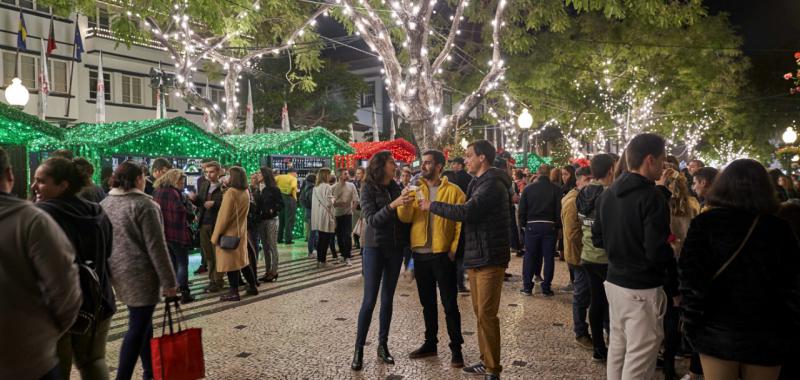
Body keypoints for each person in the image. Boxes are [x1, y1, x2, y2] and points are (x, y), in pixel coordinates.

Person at [680, 159, 800, 380]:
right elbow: (793, 285)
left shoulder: (705, 224)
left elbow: (691, 281)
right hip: (767, 332)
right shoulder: (779, 228)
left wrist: (692, 327)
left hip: (716, 330)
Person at [420, 140, 511, 380]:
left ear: (483, 158)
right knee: (480, 312)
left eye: (470, 155)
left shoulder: (492, 183)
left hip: (490, 256)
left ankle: (493, 368)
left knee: (487, 314)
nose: (466, 159)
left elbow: (467, 212)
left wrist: (432, 205)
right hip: (477, 255)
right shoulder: (478, 182)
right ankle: (485, 360)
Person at [593, 134, 672, 380]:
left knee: (619, 347)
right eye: (662, 160)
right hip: (642, 286)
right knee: (640, 356)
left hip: (615, 281)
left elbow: (598, 238)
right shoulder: (651, 197)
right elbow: (656, 250)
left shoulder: (607, 194)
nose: (663, 166)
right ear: (650, 160)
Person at [0, 149, 82, 380]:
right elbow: (65, 289)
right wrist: (45, 333)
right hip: (28, 357)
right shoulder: (32, 221)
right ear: (9, 174)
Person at [32, 157, 117, 379]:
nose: (34, 186)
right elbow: (108, 253)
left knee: (58, 369)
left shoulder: (40, 216)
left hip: (57, 307)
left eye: (41, 181)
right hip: (98, 300)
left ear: (63, 185)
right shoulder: (97, 212)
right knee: (94, 361)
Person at [100, 161, 178, 380]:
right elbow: (157, 247)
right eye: (144, 177)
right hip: (142, 274)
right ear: (138, 179)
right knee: (137, 327)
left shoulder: (106, 203)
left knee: (143, 322)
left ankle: (150, 372)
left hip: (118, 272)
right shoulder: (145, 205)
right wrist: (170, 283)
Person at [397, 149, 466, 368]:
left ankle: (456, 348)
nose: (423, 166)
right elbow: (405, 218)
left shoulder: (454, 191)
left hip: (442, 255)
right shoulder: (417, 189)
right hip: (420, 253)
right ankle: (430, 343)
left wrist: (453, 249)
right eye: (422, 163)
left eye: (428, 163)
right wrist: (405, 202)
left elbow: (460, 223)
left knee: (449, 303)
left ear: (439, 166)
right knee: (427, 303)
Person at [351, 151, 412, 371]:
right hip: (374, 248)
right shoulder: (368, 187)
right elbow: (372, 219)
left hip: (394, 249)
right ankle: (358, 349)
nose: (394, 165)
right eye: (391, 162)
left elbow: (404, 220)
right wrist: (394, 205)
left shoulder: (395, 186)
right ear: (381, 165)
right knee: (369, 300)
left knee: (387, 300)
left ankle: (383, 345)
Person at [661, 166, 700, 379]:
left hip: (666, 261)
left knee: (665, 310)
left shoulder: (662, 204)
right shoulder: (693, 205)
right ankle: (673, 356)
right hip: (684, 263)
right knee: (677, 315)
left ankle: (664, 358)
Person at [578, 154, 615, 362]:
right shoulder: (610, 195)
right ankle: (613, 345)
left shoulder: (582, 193)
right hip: (607, 257)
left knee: (596, 302)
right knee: (611, 305)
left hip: (588, 254)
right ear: (611, 170)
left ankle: (598, 348)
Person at [212, 167, 258, 302]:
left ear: (234, 177)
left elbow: (223, 217)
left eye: (228, 175)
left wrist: (215, 236)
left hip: (228, 234)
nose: (226, 177)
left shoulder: (231, 193)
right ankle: (253, 286)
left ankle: (234, 292)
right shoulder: (245, 191)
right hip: (241, 233)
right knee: (242, 262)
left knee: (230, 264)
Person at [518, 164, 563, 297]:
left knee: (529, 256)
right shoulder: (556, 189)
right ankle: (546, 288)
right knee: (549, 257)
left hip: (532, 225)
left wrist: (523, 224)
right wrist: (558, 226)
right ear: (549, 174)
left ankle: (527, 287)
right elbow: (558, 210)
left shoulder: (528, 188)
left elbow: (522, 209)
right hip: (550, 225)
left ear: (537, 173)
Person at [561, 166, 593, 351]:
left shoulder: (583, 197)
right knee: (581, 294)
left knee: (589, 293)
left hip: (585, 254)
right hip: (580, 256)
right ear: (579, 180)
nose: (590, 183)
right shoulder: (573, 200)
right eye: (587, 179)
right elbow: (573, 233)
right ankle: (580, 332)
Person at [153, 169, 196, 303]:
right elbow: (179, 211)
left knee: (172, 263)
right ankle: (185, 293)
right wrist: (190, 214)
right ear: (173, 180)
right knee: (183, 263)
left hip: (164, 233)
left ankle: (171, 291)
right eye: (181, 181)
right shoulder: (173, 193)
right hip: (177, 233)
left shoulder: (158, 191)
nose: (183, 184)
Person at [190, 161, 225, 291]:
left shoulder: (224, 187)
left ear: (219, 172)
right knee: (208, 255)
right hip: (204, 223)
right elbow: (201, 203)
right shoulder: (204, 185)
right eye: (206, 172)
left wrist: (215, 204)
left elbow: (228, 204)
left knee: (218, 254)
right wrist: (194, 199)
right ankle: (212, 280)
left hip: (217, 224)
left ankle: (218, 280)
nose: (209, 175)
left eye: (211, 172)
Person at [255, 167, 283, 282]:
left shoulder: (273, 189)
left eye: (259, 173)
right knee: (265, 247)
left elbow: (281, 204)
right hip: (261, 220)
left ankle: (274, 271)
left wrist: (273, 210)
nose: (257, 175)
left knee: (272, 245)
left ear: (265, 175)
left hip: (271, 220)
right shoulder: (258, 189)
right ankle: (267, 271)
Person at [312, 168, 337, 265]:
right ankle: (323, 260)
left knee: (321, 238)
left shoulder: (316, 187)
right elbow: (328, 203)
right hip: (326, 215)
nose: (331, 176)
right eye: (329, 174)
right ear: (326, 175)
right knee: (325, 239)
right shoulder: (327, 186)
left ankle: (320, 259)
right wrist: (333, 199)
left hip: (318, 215)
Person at [333, 168, 358, 265]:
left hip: (348, 214)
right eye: (345, 174)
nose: (347, 175)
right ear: (340, 176)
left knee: (347, 235)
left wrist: (352, 209)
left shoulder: (351, 185)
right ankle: (343, 255)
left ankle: (347, 256)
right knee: (339, 236)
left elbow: (356, 199)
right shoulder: (333, 187)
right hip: (337, 214)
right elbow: (331, 202)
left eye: (347, 173)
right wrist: (337, 204)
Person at [276, 168, 299, 244]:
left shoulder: (279, 177)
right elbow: (292, 186)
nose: (297, 175)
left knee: (281, 219)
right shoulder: (293, 178)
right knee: (289, 219)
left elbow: (273, 182)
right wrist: (287, 192)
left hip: (279, 199)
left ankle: (279, 238)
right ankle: (288, 239)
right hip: (289, 198)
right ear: (293, 173)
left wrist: (280, 191)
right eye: (296, 173)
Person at [300, 173, 318, 257]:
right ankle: (312, 250)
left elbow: (301, 200)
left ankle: (312, 250)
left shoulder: (305, 188)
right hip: (313, 212)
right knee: (314, 233)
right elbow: (312, 202)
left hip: (308, 212)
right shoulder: (313, 189)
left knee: (312, 232)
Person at [352, 167, 365, 250]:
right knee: (355, 226)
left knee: (362, 228)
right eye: (356, 173)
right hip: (356, 207)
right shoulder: (355, 183)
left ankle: (362, 245)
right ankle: (356, 242)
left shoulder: (366, 183)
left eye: (359, 173)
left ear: (364, 174)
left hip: (364, 209)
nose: (357, 175)